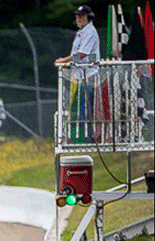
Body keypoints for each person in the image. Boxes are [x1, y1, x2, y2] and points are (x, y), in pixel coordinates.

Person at [55, 5, 101, 143]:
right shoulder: (81, 32)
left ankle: (86, 138)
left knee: (85, 108)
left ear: (88, 17)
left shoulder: (89, 32)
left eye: (82, 16)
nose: (79, 19)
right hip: (80, 75)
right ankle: (78, 136)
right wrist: (68, 61)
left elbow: (82, 54)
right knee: (78, 107)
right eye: (77, 16)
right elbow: (77, 53)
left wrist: (64, 60)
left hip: (89, 75)